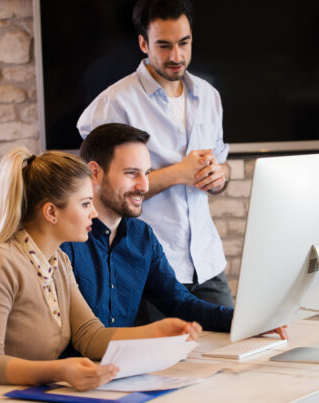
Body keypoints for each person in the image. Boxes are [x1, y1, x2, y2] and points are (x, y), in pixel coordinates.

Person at [0, 148, 201, 398]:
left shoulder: (58, 261)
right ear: (51, 212)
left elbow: (90, 336)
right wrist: (60, 371)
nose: (94, 212)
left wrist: (155, 332)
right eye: (86, 203)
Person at [77, 0, 234, 314]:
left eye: (183, 43)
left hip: (206, 261)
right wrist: (179, 172)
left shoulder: (209, 96)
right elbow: (102, 191)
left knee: (231, 352)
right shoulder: (115, 104)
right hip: (149, 267)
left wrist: (220, 176)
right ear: (143, 43)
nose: (176, 56)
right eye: (164, 45)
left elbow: (223, 164)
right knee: (163, 363)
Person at [60, 123, 236, 336]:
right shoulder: (64, 238)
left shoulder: (142, 236)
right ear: (95, 172)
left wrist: (245, 322)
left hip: (127, 364)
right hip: (75, 366)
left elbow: (180, 303)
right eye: (132, 173)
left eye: (147, 173)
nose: (144, 186)